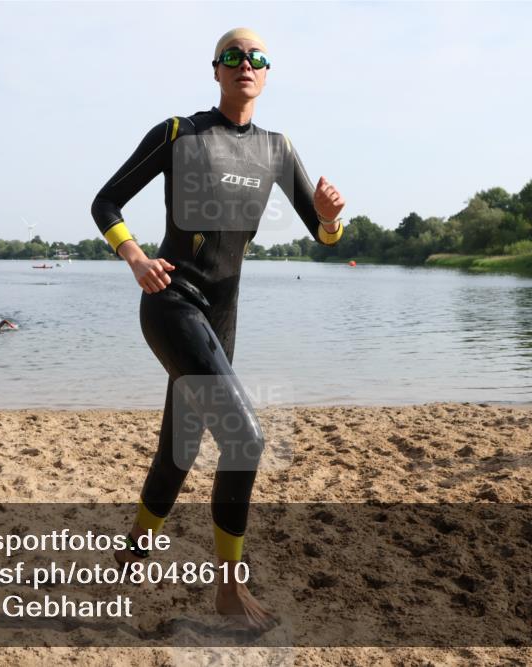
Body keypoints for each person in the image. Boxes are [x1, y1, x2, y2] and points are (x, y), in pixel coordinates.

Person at [91, 28, 345, 631]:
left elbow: (323, 233)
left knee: (179, 448)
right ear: (215, 70)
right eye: (232, 56)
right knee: (246, 438)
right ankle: (228, 589)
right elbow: (106, 202)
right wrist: (135, 259)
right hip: (171, 301)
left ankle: (130, 552)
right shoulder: (179, 134)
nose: (245, 65)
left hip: (222, 315)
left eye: (256, 58)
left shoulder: (278, 149)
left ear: (266, 73)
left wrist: (333, 220)